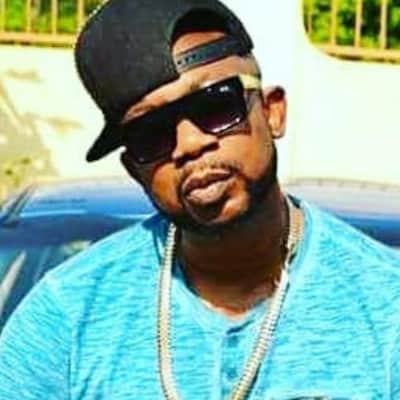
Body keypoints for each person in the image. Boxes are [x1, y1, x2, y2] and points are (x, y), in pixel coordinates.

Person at [1, 0, 400, 398]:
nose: (190, 143)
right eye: (151, 133)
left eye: (215, 105)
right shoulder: (67, 317)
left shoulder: (387, 305)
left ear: (272, 111)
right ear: (135, 170)